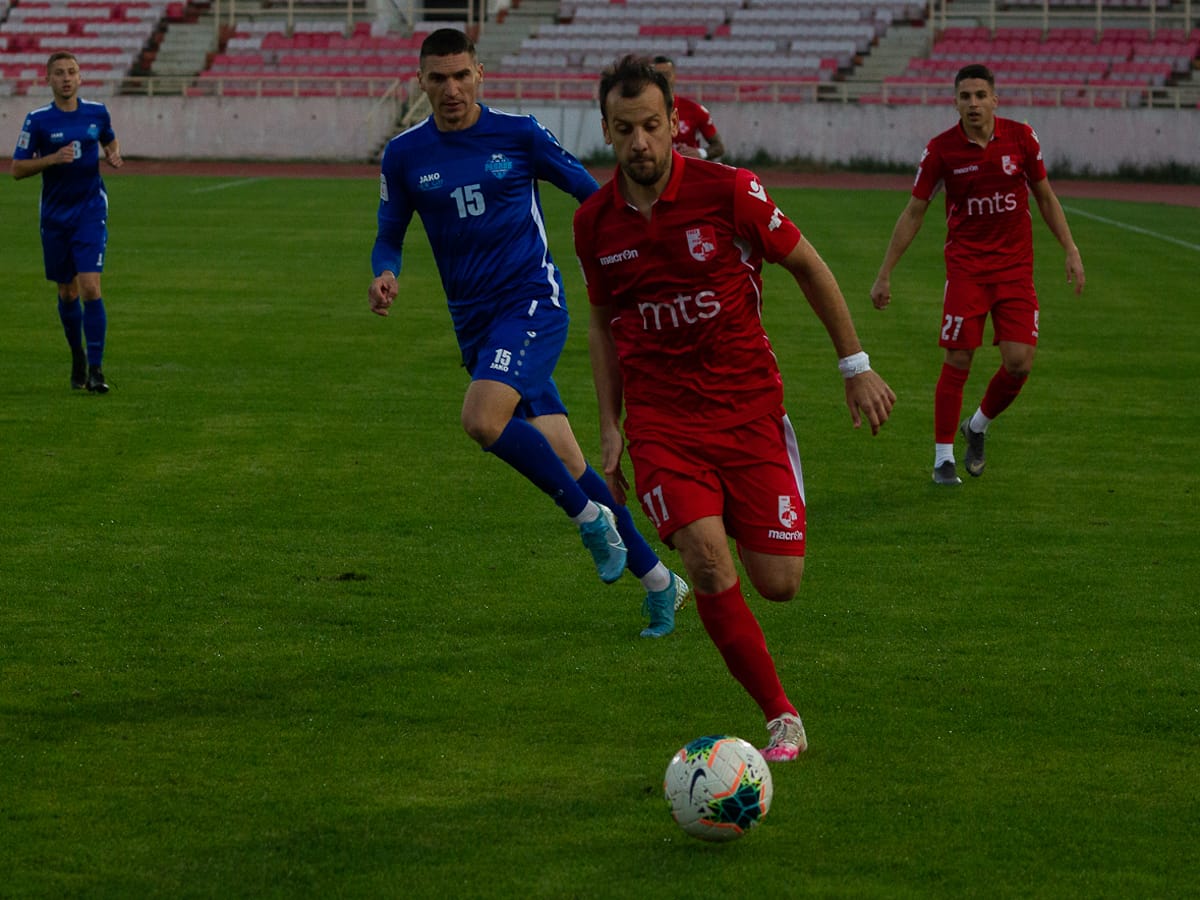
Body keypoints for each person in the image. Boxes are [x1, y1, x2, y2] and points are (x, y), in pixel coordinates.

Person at [575, 56, 896, 761]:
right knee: (709, 561)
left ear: (674, 123)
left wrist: (855, 366)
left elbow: (807, 264)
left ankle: (750, 513)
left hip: (749, 410)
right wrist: (610, 427)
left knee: (778, 584)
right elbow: (602, 324)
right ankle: (781, 715)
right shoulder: (595, 223)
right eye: (625, 129)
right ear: (605, 129)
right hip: (662, 423)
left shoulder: (730, 193)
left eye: (653, 127)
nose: (640, 144)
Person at [367, 29, 690, 638]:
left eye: (461, 75)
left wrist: (635, 248)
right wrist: (386, 271)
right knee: (566, 456)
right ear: (421, 82)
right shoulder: (405, 154)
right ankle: (659, 582)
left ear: (480, 74)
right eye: (438, 78)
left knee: (483, 420)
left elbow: (589, 194)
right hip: (477, 325)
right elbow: (390, 229)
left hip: (532, 303)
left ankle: (590, 521)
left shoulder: (519, 134)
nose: (451, 89)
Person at [870, 63, 1085, 485]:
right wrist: (885, 273)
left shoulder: (1022, 138)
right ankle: (943, 459)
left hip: (1015, 271)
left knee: (1020, 363)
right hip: (967, 270)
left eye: (980, 95)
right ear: (955, 102)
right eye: (965, 96)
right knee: (958, 357)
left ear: (994, 100)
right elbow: (915, 211)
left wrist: (1070, 248)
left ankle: (979, 426)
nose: (973, 103)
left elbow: (1044, 196)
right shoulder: (940, 151)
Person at [12, 50, 123, 394]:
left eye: (71, 72)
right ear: (48, 79)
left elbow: (108, 137)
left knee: (90, 286)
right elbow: (17, 169)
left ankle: (96, 369)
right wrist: (51, 159)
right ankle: (76, 354)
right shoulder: (38, 120)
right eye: (59, 72)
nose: (66, 78)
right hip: (56, 216)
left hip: (90, 210)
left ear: (80, 77)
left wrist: (112, 152)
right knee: (67, 290)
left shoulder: (97, 112)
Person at [651, 56, 725, 162]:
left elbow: (719, 147)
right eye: (658, 75)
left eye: (667, 75)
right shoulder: (640, 112)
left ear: (674, 77)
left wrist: (700, 153)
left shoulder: (694, 110)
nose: (663, 79)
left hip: (687, 173)